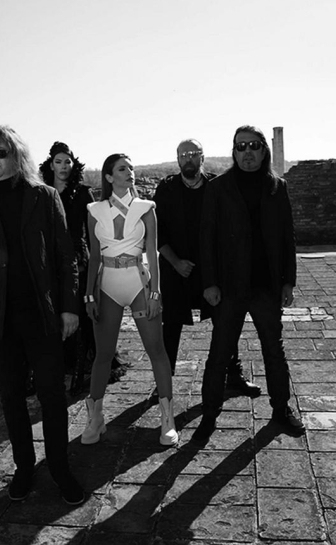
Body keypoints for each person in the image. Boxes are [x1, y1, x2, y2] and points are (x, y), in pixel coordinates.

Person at [0, 125, 85, 505]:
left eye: (0, 152)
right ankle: (24, 467)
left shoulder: (44, 197)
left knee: (52, 396)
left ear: (17, 155)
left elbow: (65, 257)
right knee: (11, 397)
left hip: (41, 314)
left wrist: (69, 307)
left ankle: (60, 468)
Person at [194, 125, 305, 442]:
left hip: (267, 286)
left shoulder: (277, 187)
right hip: (229, 287)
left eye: (253, 145)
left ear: (263, 150)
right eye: (240, 146)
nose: (247, 152)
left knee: (274, 351)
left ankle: (281, 410)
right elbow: (206, 239)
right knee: (219, 353)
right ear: (233, 151)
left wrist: (288, 281)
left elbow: (287, 237)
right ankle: (209, 415)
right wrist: (209, 283)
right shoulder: (218, 188)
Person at [81, 153, 178, 446]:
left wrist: (156, 293)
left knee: (156, 350)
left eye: (132, 168)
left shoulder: (146, 208)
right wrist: (89, 295)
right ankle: (95, 419)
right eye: (122, 169)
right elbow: (94, 257)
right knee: (103, 354)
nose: (130, 172)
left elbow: (153, 254)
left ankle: (167, 419)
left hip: (139, 282)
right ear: (109, 177)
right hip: (107, 285)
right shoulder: (94, 210)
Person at [153, 138, 261, 397]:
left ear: (202, 157)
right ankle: (163, 383)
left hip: (213, 269)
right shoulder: (166, 189)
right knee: (171, 326)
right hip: (176, 268)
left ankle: (233, 375)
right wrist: (175, 262)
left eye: (193, 154)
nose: (188, 159)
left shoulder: (218, 186)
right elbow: (156, 231)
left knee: (225, 321)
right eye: (183, 155)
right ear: (177, 159)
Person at [39, 142, 95, 393]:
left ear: (74, 165)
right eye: (58, 162)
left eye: (67, 162)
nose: (63, 166)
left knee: (79, 313)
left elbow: (93, 234)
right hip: (49, 259)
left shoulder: (83, 193)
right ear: (51, 165)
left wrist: (95, 265)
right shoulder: (40, 192)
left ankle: (81, 366)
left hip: (78, 259)